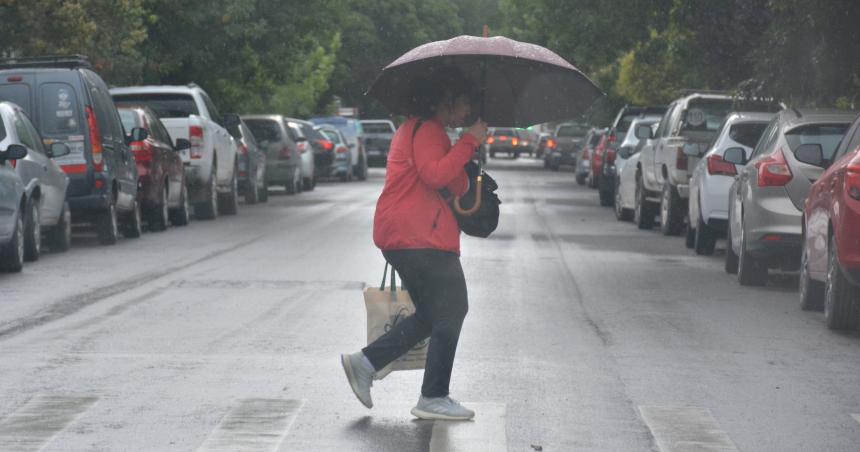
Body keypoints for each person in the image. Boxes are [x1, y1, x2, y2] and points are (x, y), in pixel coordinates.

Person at [340, 67, 488, 421]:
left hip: (414, 235)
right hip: (419, 237)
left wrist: (467, 152)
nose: (467, 111)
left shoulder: (424, 132)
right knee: (453, 309)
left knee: (431, 316)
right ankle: (433, 395)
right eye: (465, 102)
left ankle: (365, 363)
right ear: (447, 100)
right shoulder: (427, 130)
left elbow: (455, 186)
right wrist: (468, 142)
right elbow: (435, 175)